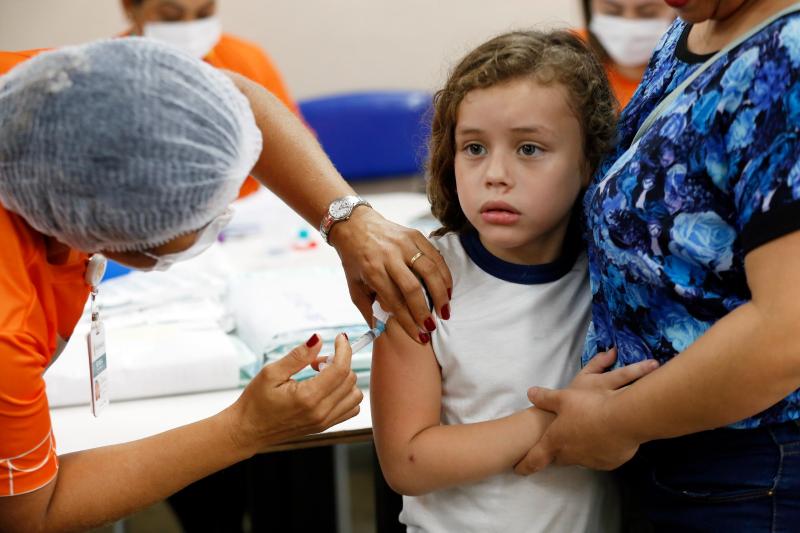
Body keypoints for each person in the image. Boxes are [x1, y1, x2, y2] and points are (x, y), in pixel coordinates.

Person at [0, 38, 452, 532]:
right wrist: (245, 429)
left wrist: (348, 221)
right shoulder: (8, 327)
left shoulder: (53, 94)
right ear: (117, 239)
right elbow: (29, 514)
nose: (225, 214)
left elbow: (232, 100)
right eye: (208, 214)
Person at [516, 0, 800, 530]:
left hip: (749, 466)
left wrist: (615, 422)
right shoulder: (694, 29)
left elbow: (788, 329)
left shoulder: (788, 56)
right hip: (667, 449)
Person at [369, 30, 656, 532]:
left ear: (589, 161)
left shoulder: (614, 276)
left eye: (529, 148)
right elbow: (407, 462)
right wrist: (556, 419)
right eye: (474, 147)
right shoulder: (424, 283)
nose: (495, 174)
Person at [121, 0, 302, 198]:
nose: (189, 27)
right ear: (129, 8)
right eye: (170, 16)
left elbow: (296, 151)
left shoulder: (247, 59)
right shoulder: (106, 73)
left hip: (248, 205)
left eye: (204, 14)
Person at [580, 0, 674, 107]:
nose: (629, 25)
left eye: (648, 13)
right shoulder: (566, 54)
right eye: (612, 11)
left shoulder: (690, 78)